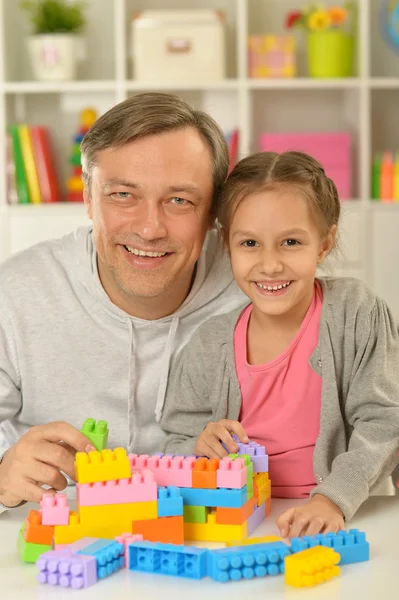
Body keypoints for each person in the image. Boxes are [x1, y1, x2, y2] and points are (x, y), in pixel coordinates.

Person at [0, 92, 246, 509]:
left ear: (212, 215)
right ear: (88, 200)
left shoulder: (258, 290)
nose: (150, 229)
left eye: (179, 200)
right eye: (122, 195)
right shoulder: (16, 292)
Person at [160, 150, 399, 538]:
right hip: (241, 523)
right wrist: (199, 446)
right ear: (228, 246)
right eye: (250, 243)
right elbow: (176, 440)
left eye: (290, 242)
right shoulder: (209, 342)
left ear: (324, 243)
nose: (270, 265)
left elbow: (385, 419)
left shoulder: (354, 311)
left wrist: (332, 500)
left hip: (345, 516)